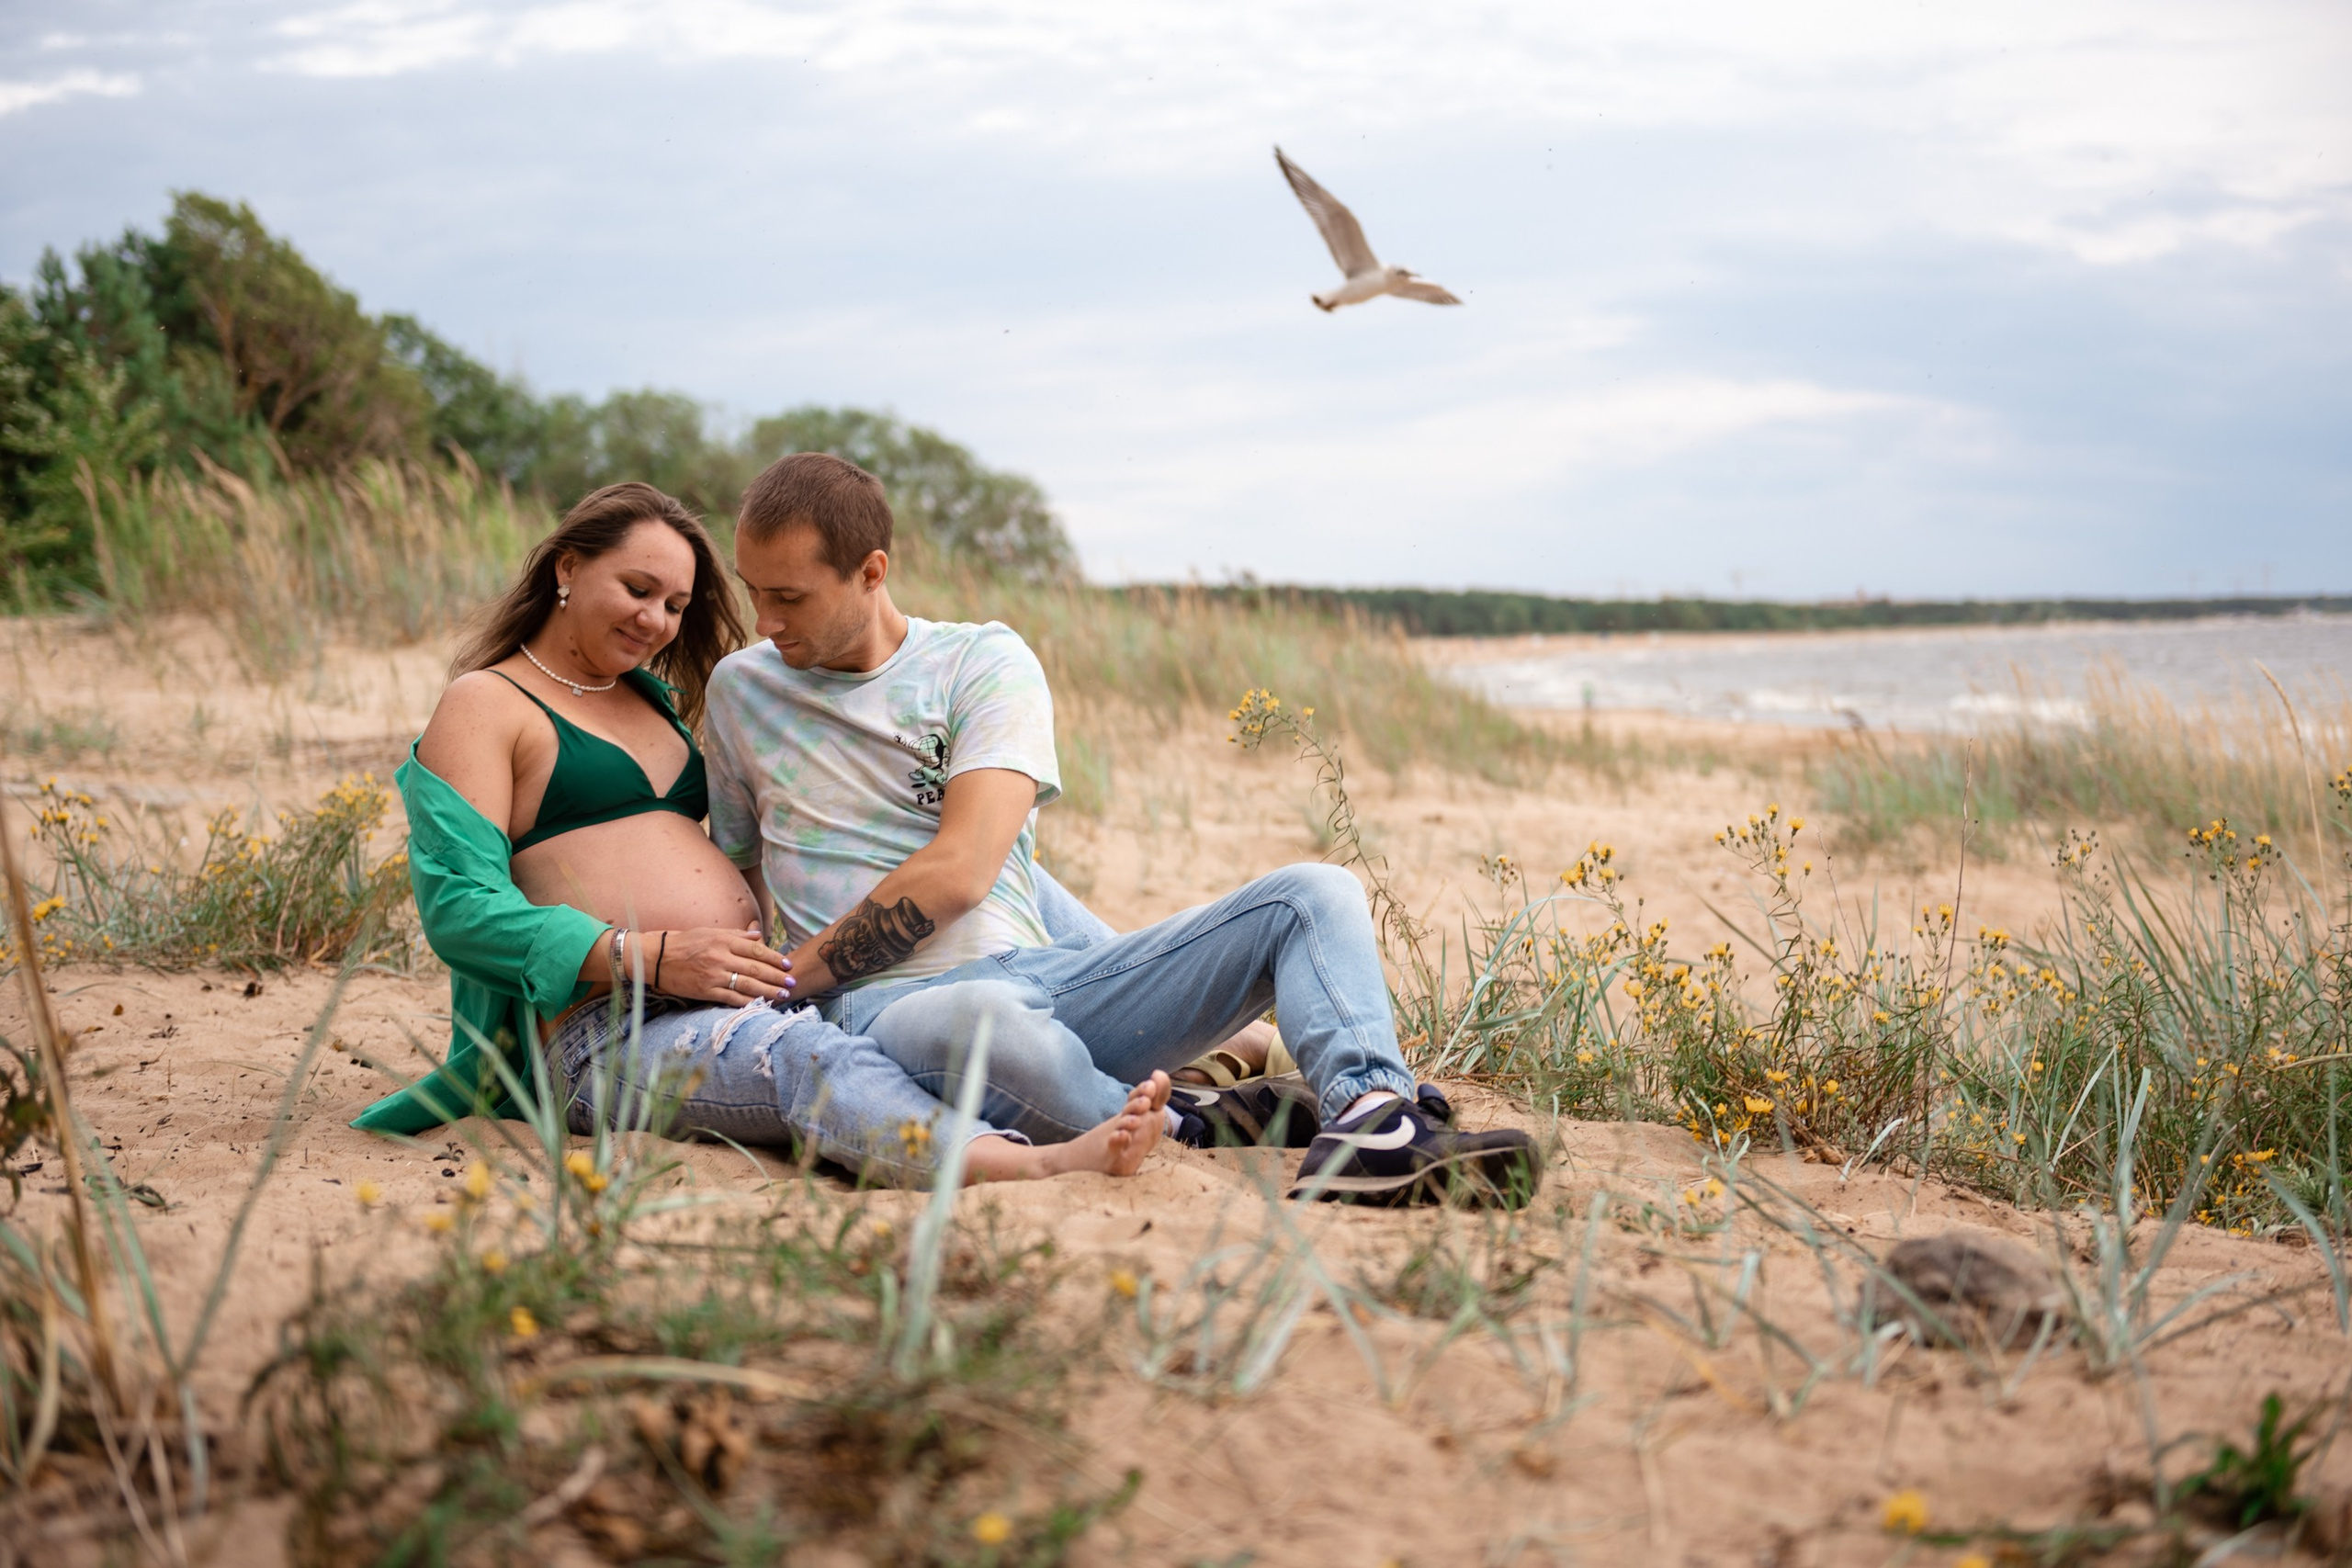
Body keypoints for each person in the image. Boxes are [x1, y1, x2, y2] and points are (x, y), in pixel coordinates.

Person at [707, 455, 1541, 1205]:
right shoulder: (740, 692)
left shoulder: (981, 664)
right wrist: (773, 990)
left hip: (1049, 977)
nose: (766, 621)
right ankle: (1185, 1121)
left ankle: (1372, 1116)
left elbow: (963, 870)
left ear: (871, 572)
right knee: (983, 1022)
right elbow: (739, 873)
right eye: (752, 591)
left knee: (1316, 894)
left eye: (788, 597)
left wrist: (787, 977)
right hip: (891, 1011)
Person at [350, 481, 1170, 1187]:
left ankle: (1192, 1057)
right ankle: (1032, 1165)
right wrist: (651, 954)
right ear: (568, 567)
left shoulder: (654, 703)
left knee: (895, 1025)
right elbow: (459, 911)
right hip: (607, 1027)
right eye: (637, 588)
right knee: (816, 1063)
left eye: (675, 605)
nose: (656, 621)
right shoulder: (485, 703)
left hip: (740, 994)